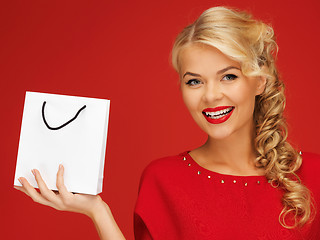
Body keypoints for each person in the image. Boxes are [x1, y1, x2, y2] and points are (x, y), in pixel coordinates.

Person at [14, 6, 320, 240]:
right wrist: (97, 210)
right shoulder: (163, 180)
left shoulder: (314, 175)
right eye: (194, 81)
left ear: (260, 82)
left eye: (229, 76)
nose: (211, 95)